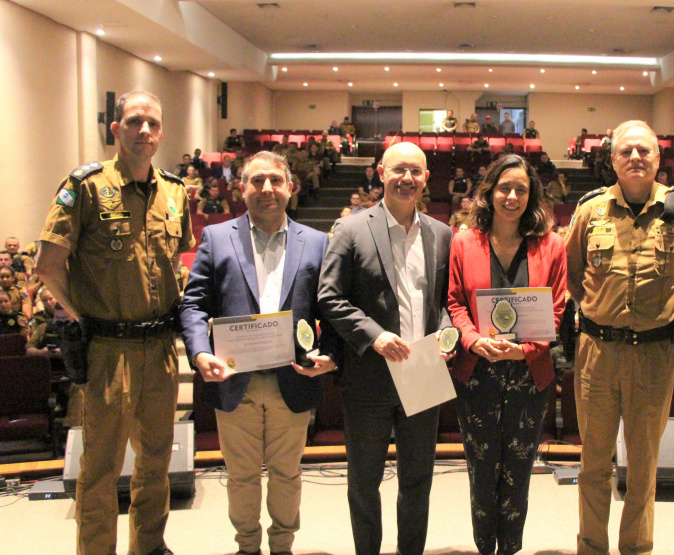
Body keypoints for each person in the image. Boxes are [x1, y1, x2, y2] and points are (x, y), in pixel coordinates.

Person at [35, 89, 193, 555]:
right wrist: (81, 316)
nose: (145, 132)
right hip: (108, 350)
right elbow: (47, 263)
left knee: (156, 462)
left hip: (160, 348)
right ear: (116, 128)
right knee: (101, 468)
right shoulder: (85, 186)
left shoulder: (174, 190)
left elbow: (176, 265)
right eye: (135, 122)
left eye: (153, 124)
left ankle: (148, 545)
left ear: (162, 131)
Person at [180, 151, 341, 555]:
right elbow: (194, 305)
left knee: (288, 474)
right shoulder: (216, 237)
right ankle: (247, 547)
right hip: (235, 380)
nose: (266, 189)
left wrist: (330, 353)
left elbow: (333, 310)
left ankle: (283, 547)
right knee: (241, 477)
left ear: (291, 187)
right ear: (241, 188)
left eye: (274, 180)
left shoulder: (318, 243)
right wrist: (200, 354)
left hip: (293, 378)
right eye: (256, 181)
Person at [565, 120, 674, 554]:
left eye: (644, 151)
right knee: (593, 462)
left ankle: (637, 548)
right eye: (626, 151)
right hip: (598, 352)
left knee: (644, 464)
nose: (635, 158)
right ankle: (592, 546)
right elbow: (574, 275)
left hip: (654, 353)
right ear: (612, 159)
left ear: (658, 159)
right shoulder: (589, 210)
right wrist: (600, 310)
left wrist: (672, 313)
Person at [317, 142, 454, 555]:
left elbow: (446, 302)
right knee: (364, 481)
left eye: (416, 171)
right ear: (381, 173)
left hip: (424, 371)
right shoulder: (351, 229)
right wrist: (374, 335)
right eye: (399, 170)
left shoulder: (442, 233)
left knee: (418, 480)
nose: (407, 178)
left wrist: (448, 335)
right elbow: (329, 297)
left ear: (427, 178)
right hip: (369, 376)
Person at [447, 154, 567, 554]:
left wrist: (526, 350)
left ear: (531, 195)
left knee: (518, 469)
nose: (512, 196)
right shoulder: (464, 241)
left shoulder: (551, 245)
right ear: (489, 191)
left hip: (530, 374)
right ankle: (485, 547)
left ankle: (510, 548)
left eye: (521, 189)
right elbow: (455, 301)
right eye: (504, 188)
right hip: (477, 370)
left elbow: (557, 309)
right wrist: (472, 340)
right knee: (482, 469)